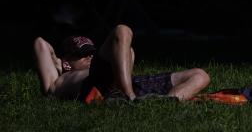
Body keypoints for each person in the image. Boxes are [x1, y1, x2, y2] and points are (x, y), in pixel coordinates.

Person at [33, 24, 210, 101]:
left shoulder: (97, 64)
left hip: (125, 82)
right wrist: (59, 63)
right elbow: (40, 43)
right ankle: (128, 96)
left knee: (200, 75)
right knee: (122, 31)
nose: (89, 57)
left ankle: (168, 101)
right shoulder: (57, 83)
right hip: (97, 85)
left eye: (91, 53)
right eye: (82, 55)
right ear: (66, 63)